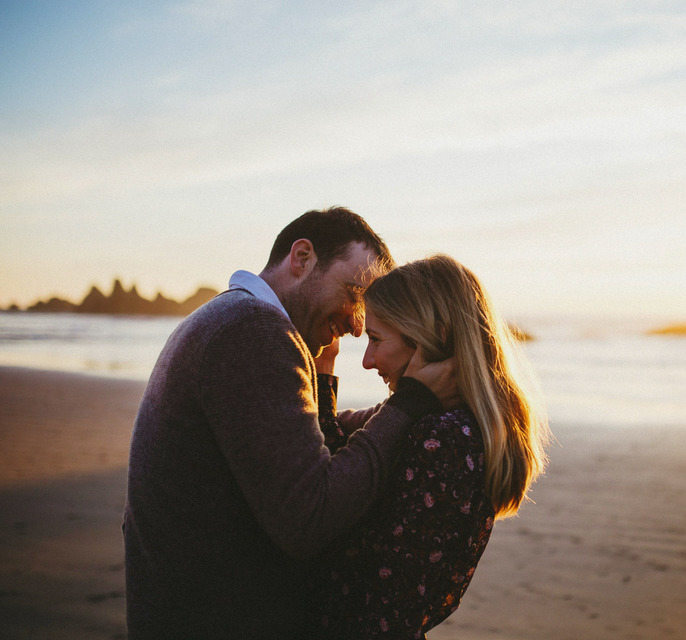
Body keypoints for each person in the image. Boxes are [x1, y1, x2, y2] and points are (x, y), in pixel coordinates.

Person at [123, 208, 458, 639]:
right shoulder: (254, 330)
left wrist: (408, 404)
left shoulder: (228, 318)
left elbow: (302, 439)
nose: (358, 325)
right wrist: (407, 407)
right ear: (302, 258)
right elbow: (309, 518)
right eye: (356, 293)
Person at [309, 254, 551, 638]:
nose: (368, 361)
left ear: (431, 336)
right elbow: (343, 441)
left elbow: (337, 528)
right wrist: (325, 371)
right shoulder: (439, 418)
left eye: (375, 339)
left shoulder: (443, 438)